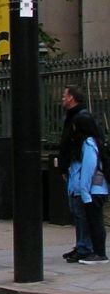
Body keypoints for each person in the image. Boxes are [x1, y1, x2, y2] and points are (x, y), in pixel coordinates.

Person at [59, 85, 100, 262]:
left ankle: (85, 246)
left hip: (80, 170)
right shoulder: (73, 117)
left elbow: (89, 148)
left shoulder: (81, 119)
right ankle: (81, 244)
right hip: (74, 169)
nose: (62, 98)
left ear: (71, 97)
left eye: (64, 95)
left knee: (80, 210)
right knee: (76, 210)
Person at [67, 114, 109, 263]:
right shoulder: (94, 142)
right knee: (94, 221)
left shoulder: (89, 143)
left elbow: (88, 170)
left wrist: (85, 193)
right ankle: (97, 252)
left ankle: (99, 253)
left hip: (94, 190)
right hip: (96, 189)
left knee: (95, 222)